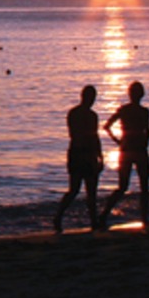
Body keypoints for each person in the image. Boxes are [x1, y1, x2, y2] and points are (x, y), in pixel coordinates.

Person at [100, 81, 149, 228]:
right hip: (135, 149)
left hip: (130, 149)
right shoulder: (140, 111)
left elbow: (107, 126)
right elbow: (147, 131)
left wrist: (119, 141)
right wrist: (119, 141)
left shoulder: (129, 110)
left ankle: (105, 215)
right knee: (139, 186)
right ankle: (143, 219)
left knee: (127, 186)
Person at [54, 84, 103, 232]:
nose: (92, 100)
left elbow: (95, 137)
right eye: (90, 97)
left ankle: (94, 222)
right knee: (75, 189)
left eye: (93, 98)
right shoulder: (75, 114)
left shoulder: (91, 115)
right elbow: (77, 135)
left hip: (85, 154)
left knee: (91, 191)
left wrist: (99, 156)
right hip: (78, 153)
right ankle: (58, 217)